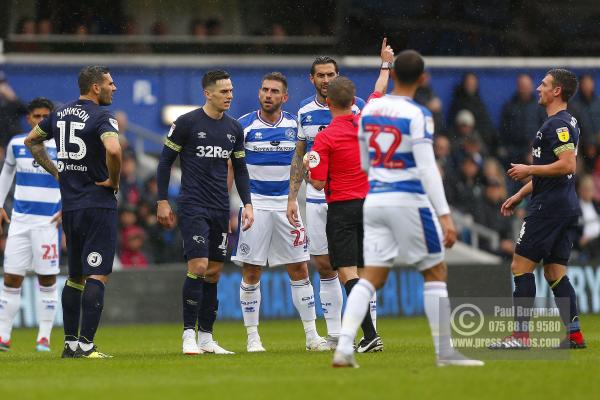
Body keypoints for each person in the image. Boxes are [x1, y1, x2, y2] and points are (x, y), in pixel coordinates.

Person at [332, 50, 484, 368]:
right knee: (435, 271)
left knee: (370, 276)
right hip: (408, 199)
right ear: (424, 79)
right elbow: (428, 168)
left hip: (373, 200)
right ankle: (445, 352)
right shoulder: (418, 114)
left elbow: (364, 162)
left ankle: (344, 348)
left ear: (395, 74)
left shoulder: (370, 108)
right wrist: (444, 215)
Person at [25, 66, 121, 358]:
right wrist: (114, 181)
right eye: (109, 83)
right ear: (95, 87)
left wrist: (57, 173)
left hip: (71, 207)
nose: (114, 87)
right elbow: (114, 150)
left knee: (75, 276)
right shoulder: (102, 117)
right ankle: (87, 346)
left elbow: (32, 141)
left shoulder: (60, 113)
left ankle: (69, 344)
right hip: (98, 205)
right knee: (97, 275)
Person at [306, 39, 394, 353]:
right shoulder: (368, 119)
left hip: (342, 207)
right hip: (370, 206)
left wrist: (307, 166)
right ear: (354, 100)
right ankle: (368, 333)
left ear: (328, 102)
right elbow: (380, 91)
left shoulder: (325, 138)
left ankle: (370, 336)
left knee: (346, 271)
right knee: (362, 270)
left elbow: (316, 184)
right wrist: (385, 63)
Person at [156, 70, 253, 356]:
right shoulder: (186, 123)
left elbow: (241, 169)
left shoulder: (234, 129)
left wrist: (245, 203)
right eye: (224, 91)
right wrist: (162, 201)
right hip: (193, 205)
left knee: (213, 273)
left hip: (220, 207)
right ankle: (188, 335)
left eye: (231, 90)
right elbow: (164, 163)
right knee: (198, 267)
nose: (230, 96)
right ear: (207, 93)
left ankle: (207, 337)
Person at [233, 72, 328, 352]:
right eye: (264, 90)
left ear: (284, 97)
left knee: (299, 267)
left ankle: (312, 335)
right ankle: (253, 337)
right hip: (255, 206)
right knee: (252, 271)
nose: (268, 95)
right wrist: (234, 205)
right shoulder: (244, 126)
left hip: (288, 206)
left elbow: (302, 162)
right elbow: (234, 168)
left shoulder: (294, 125)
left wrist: (297, 193)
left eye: (274, 91)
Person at [494, 69, 586, 349]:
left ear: (557, 91)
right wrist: (520, 194)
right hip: (563, 205)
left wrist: (528, 169)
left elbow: (568, 166)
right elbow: (555, 171)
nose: (538, 89)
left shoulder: (557, 125)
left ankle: (520, 337)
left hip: (549, 209)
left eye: (544, 84)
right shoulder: (568, 121)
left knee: (520, 266)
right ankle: (575, 335)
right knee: (554, 272)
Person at [287, 55, 375, 348]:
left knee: (354, 265)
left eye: (331, 75)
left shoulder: (355, 106)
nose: (326, 80)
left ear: (337, 78)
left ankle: (366, 330)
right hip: (317, 197)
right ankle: (337, 333)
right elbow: (299, 155)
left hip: (343, 193)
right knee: (325, 264)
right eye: (320, 75)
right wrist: (292, 197)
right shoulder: (304, 112)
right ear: (311, 79)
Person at [0, 98, 61, 352]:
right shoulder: (17, 144)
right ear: (29, 119)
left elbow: (75, 179)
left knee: (46, 279)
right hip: (19, 223)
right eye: (36, 116)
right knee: (11, 279)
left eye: (45, 117)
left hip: (47, 223)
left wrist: (68, 207)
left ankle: (43, 337)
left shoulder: (62, 146)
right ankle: (3, 336)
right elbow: (6, 174)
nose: (40, 121)